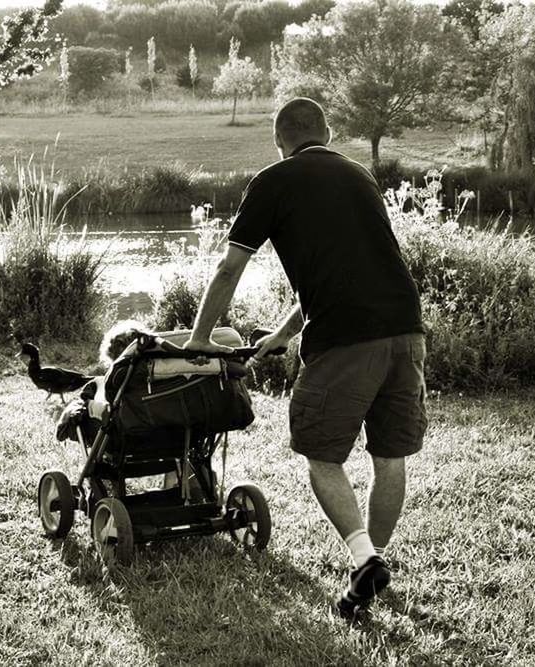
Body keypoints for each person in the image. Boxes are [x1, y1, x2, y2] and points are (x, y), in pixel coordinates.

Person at [182, 98, 427, 617]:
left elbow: (229, 269)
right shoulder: (360, 176)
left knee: (322, 454)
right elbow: (349, 269)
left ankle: (363, 559)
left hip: (346, 338)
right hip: (407, 329)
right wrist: (284, 332)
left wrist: (201, 337)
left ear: (279, 141)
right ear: (329, 132)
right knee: (390, 456)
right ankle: (372, 565)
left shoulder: (273, 181)